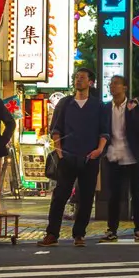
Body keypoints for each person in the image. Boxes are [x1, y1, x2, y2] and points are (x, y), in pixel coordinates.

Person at [42, 67, 106, 247]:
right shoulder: (64, 103)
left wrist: (99, 150)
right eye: (76, 77)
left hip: (89, 158)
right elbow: (56, 129)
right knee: (60, 196)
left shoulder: (98, 105)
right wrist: (59, 151)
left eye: (82, 78)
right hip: (67, 158)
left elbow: (104, 131)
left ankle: (79, 235)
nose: (78, 80)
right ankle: (52, 234)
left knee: (86, 198)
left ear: (90, 82)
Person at [100, 74, 139, 243]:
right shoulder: (106, 108)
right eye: (111, 84)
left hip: (132, 156)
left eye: (116, 84)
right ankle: (112, 229)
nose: (112, 87)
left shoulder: (133, 106)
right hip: (113, 155)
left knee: (137, 194)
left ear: (125, 88)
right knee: (114, 194)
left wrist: (135, 110)